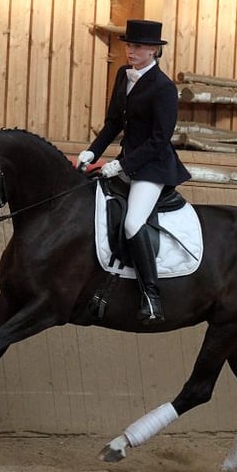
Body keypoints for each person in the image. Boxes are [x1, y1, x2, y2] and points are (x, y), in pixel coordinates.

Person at [77, 19, 191, 324]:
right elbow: (114, 122)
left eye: (138, 46)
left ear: (153, 50)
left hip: (152, 168)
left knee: (131, 223)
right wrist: (92, 152)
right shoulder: (122, 76)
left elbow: (159, 139)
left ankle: (151, 297)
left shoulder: (165, 88)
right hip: (126, 160)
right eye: (129, 45)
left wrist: (122, 165)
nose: (131, 51)